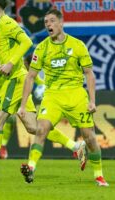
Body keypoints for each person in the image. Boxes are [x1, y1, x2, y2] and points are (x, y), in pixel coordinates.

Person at [0, 0, 85, 181]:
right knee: (33, 127)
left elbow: (26, 42)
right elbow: (11, 49)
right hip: (17, 79)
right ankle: (76, 146)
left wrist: (11, 63)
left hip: (15, 79)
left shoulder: (6, 22)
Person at [18, 9, 109, 186]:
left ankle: (99, 175)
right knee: (42, 128)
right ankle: (31, 168)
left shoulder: (77, 45)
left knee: (89, 137)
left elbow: (89, 74)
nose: (48, 25)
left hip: (76, 94)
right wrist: (23, 105)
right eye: (46, 23)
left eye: (52, 21)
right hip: (53, 96)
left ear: (61, 23)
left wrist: (92, 100)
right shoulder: (42, 48)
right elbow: (30, 77)